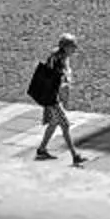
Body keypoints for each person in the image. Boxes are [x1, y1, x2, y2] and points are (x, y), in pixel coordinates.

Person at [34, 33, 84, 166]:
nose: (75, 48)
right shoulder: (58, 59)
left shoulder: (60, 57)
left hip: (52, 97)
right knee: (65, 124)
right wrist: (64, 93)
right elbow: (56, 81)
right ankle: (75, 155)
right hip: (52, 98)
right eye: (73, 46)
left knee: (54, 122)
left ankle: (42, 149)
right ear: (66, 47)